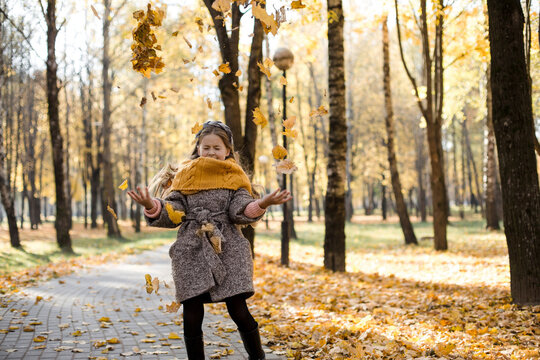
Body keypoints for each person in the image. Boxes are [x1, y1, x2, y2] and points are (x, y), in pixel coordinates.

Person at [127, 121, 291, 360]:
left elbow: (239, 211)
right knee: (192, 311)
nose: (211, 152)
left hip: (229, 249)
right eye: (206, 147)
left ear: (227, 151)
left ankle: (258, 357)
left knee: (239, 309)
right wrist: (152, 205)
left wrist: (263, 203)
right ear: (198, 148)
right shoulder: (185, 175)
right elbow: (174, 211)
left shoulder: (235, 176)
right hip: (192, 250)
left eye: (217, 147)